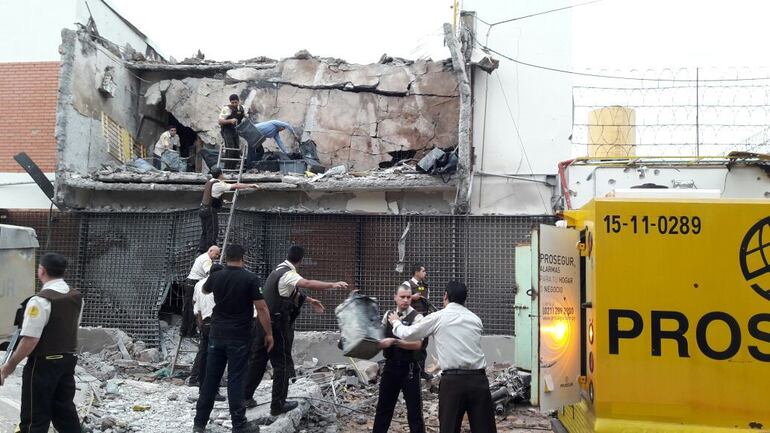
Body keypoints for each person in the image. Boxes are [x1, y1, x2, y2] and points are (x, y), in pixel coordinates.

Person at [244, 245, 348, 416]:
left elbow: (289, 292)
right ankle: (278, 405)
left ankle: (245, 397)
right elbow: (306, 283)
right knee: (282, 364)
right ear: (301, 260)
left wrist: (310, 300)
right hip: (276, 324)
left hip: (263, 323)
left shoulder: (279, 269)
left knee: (258, 360)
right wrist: (333, 284)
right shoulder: (289, 274)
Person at [388, 281, 496, 433]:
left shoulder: (438, 317)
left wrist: (396, 323)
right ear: (465, 298)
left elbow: (408, 334)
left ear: (445, 296)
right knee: (485, 428)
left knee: (449, 428)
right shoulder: (475, 319)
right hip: (479, 381)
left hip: (453, 383)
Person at [193, 245, 273, 433]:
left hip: (217, 333)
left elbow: (204, 291)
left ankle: (199, 424)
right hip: (239, 335)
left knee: (211, 379)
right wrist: (269, 333)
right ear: (243, 258)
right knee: (236, 379)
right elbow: (261, 308)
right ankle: (239, 425)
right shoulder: (250, 278)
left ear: (226, 257)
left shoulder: (217, 275)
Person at [0, 253, 83, 433]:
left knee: (34, 417)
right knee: (64, 412)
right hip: (68, 361)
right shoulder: (76, 297)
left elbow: (30, 339)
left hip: (43, 365)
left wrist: (9, 366)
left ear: (42, 271)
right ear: (64, 272)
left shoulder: (40, 301)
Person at [372, 285, 426, 433]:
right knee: (383, 409)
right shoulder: (388, 315)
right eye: (402, 297)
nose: (406, 300)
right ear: (395, 297)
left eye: (408, 297)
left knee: (414, 412)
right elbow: (379, 336)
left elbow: (417, 344)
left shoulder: (417, 317)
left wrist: (396, 342)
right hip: (390, 367)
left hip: (409, 370)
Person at [198, 166, 256, 254]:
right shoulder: (219, 184)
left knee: (205, 232)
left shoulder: (209, 182)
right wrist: (251, 185)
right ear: (220, 174)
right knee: (213, 233)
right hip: (210, 211)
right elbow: (236, 185)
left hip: (202, 209)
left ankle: (201, 251)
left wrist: (222, 201)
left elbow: (212, 196)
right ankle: (211, 253)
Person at [188, 263, 223, 388]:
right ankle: (213, 385)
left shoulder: (199, 284)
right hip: (216, 323)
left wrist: (200, 324)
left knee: (203, 353)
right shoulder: (218, 286)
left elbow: (195, 304)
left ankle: (195, 379)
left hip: (204, 322)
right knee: (216, 355)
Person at [401, 263, 433, 379]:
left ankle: (420, 371)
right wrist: (412, 297)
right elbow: (401, 299)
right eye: (423, 271)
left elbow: (427, 301)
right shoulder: (407, 284)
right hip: (412, 319)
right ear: (417, 272)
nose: (425, 273)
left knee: (423, 346)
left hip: (423, 318)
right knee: (411, 345)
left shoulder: (425, 286)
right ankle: (409, 371)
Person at [182, 246, 221, 338]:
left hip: (191, 282)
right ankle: (190, 331)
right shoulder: (206, 260)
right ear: (210, 251)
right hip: (194, 282)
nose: (217, 257)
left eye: (218, 255)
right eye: (216, 254)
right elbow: (210, 272)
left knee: (188, 307)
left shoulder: (203, 257)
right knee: (194, 308)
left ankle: (184, 330)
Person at [218, 94, 245, 170]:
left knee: (237, 150)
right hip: (227, 130)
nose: (234, 104)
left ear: (238, 101)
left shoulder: (242, 109)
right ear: (230, 102)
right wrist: (230, 120)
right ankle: (227, 169)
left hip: (235, 130)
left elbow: (245, 118)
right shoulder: (226, 109)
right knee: (230, 149)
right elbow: (219, 121)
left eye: (235, 102)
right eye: (232, 102)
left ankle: (233, 169)